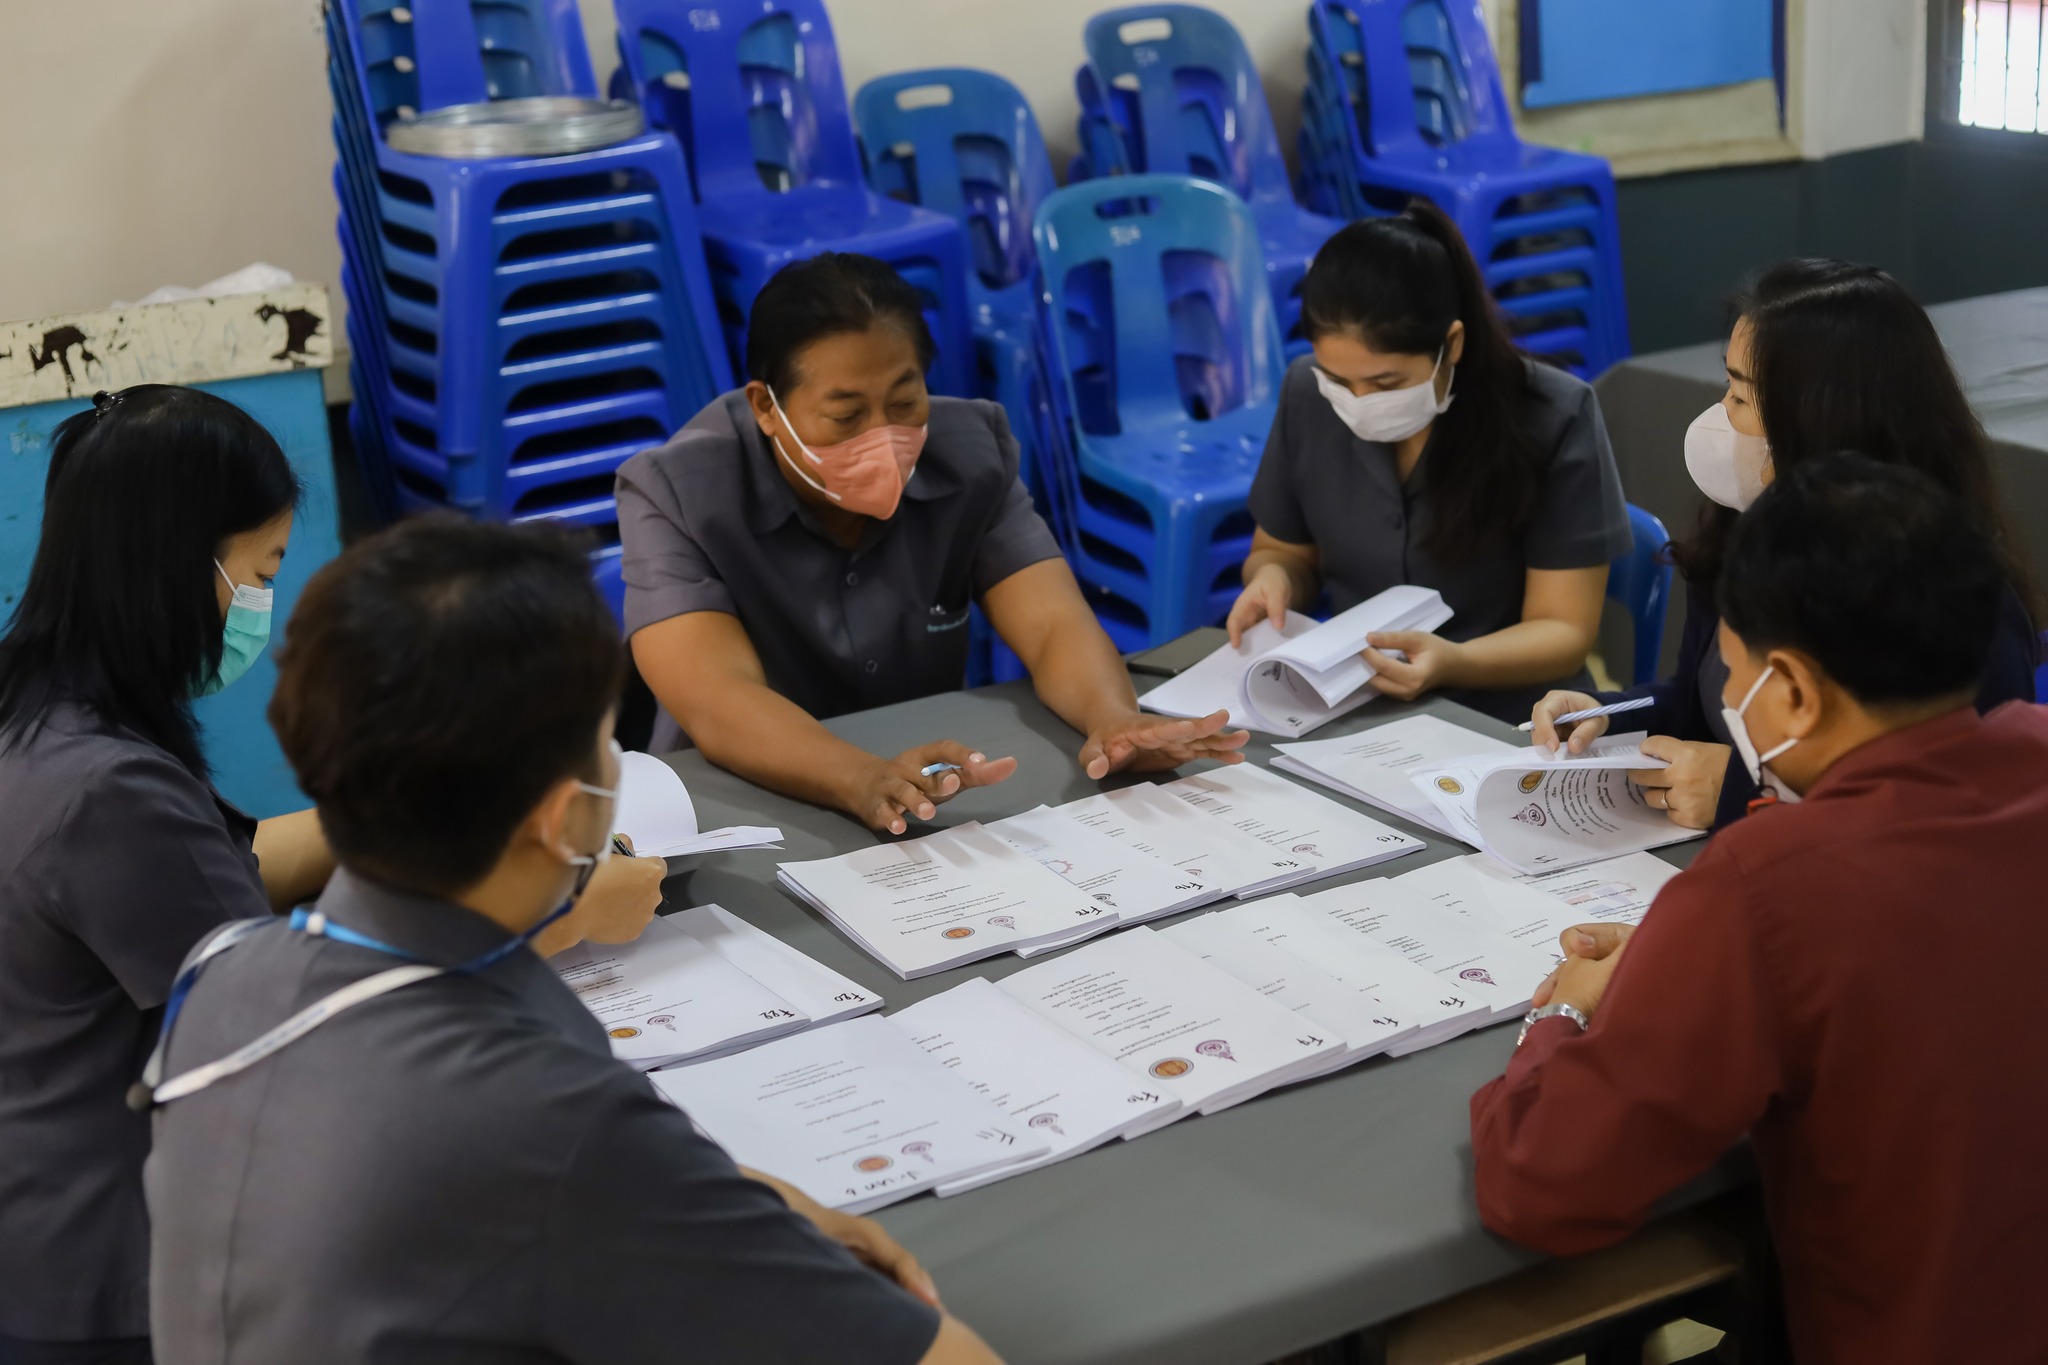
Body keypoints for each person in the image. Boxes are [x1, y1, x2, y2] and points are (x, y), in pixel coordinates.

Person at [143, 518, 1001, 1365]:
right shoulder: (549, 1116)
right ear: (564, 817)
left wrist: (754, 1207)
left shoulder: (223, 974)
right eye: (606, 745)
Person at [0, 388, 660, 1365]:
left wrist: (396, 820)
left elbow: (213, 866)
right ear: (177, 569)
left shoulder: (44, 714)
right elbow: (308, 1032)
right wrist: (564, 902)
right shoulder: (108, 793)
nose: (261, 604)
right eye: (261, 570)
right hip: (104, 1274)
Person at [1470, 454, 2048, 1364]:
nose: (1728, 703)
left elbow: (1545, 1181)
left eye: (1732, 675)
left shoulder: (1773, 881)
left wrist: (1566, 1008)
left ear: (1796, 690)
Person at [618, 252, 1247, 835]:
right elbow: (718, 700)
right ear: (765, 407)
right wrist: (858, 777)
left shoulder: (973, 453)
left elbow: (1054, 623)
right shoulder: (674, 491)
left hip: (921, 787)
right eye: (845, 416)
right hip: (739, 802)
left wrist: (1113, 720)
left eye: (905, 399)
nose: (883, 435)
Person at [1530, 259, 2039, 829]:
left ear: (1819, 425)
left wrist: (1740, 796)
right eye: (1727, 384)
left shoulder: (1959, 603)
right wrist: (1610, 712)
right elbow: (1702, 703)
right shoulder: (1742, 532)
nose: (1719, 414)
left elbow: (1968, 816)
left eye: (1743, 399)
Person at [1225, 201, 1632, 724]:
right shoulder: (1307, 393)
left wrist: (1454, 662)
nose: (1358, 400)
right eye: (1340, 381)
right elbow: (1282, 551)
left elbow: (1564, 632)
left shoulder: (1553, 416)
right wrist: (1273, 579)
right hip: (1357, 704)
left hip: (1513, 716)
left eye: (1385, 383)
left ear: (1452, 345)